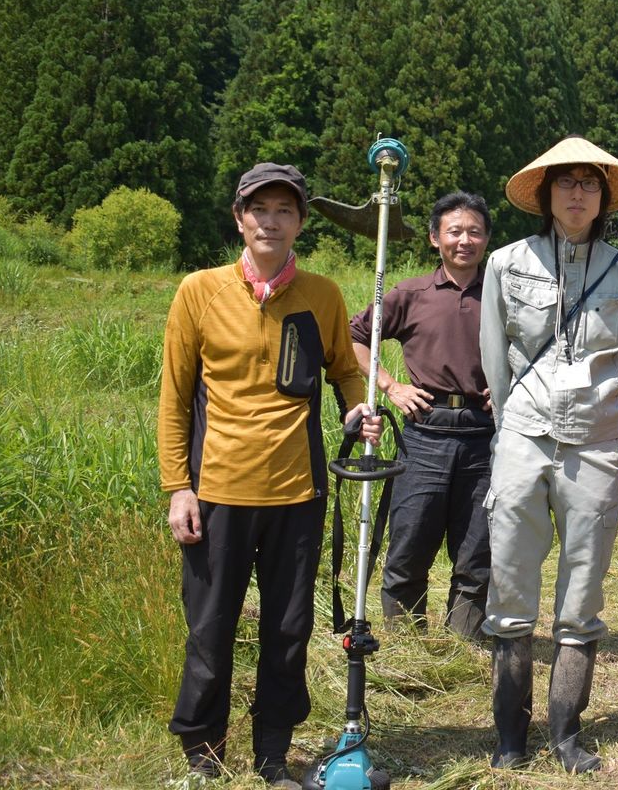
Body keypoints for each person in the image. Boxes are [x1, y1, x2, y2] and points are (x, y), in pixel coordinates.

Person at [159, 163, 380, 786]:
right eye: (259, 209)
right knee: (210, 631)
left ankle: (272, 754)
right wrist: (178, 486)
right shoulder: (198, 291)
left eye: (285, 210)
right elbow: (174, 398)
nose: (271, 221)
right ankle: (204, 753)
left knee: (288, 631)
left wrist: (355, 406)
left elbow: (343, 369)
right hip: (218, 494)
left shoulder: (323, 294)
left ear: (301, 224)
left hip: (297, 492)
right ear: (239, 218)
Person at [480, 135, 618, 773]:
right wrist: (507, 428)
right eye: (565, 182)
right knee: (511, 585)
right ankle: (509, 736)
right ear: (545, 194)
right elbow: (495, 357)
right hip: (522, 435)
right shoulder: (505, 263)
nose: (577, 193)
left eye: (589, 183)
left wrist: (605, 416)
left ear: (603, 196)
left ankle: (566, 732)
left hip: (596, 445)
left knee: (583, 592)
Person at [349, 192, 494, 641]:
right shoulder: (411, 293)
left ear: (486, 239)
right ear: (435, 238)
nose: (464, 240)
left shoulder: (503, 295)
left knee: (477, 550)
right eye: (454, 231)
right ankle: (406, 646)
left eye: (474, 231)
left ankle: (465, 643)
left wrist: (512, 387)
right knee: (410, 542)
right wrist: (392, 386)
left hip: (486, 437)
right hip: (425, 433)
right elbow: (355, 337)